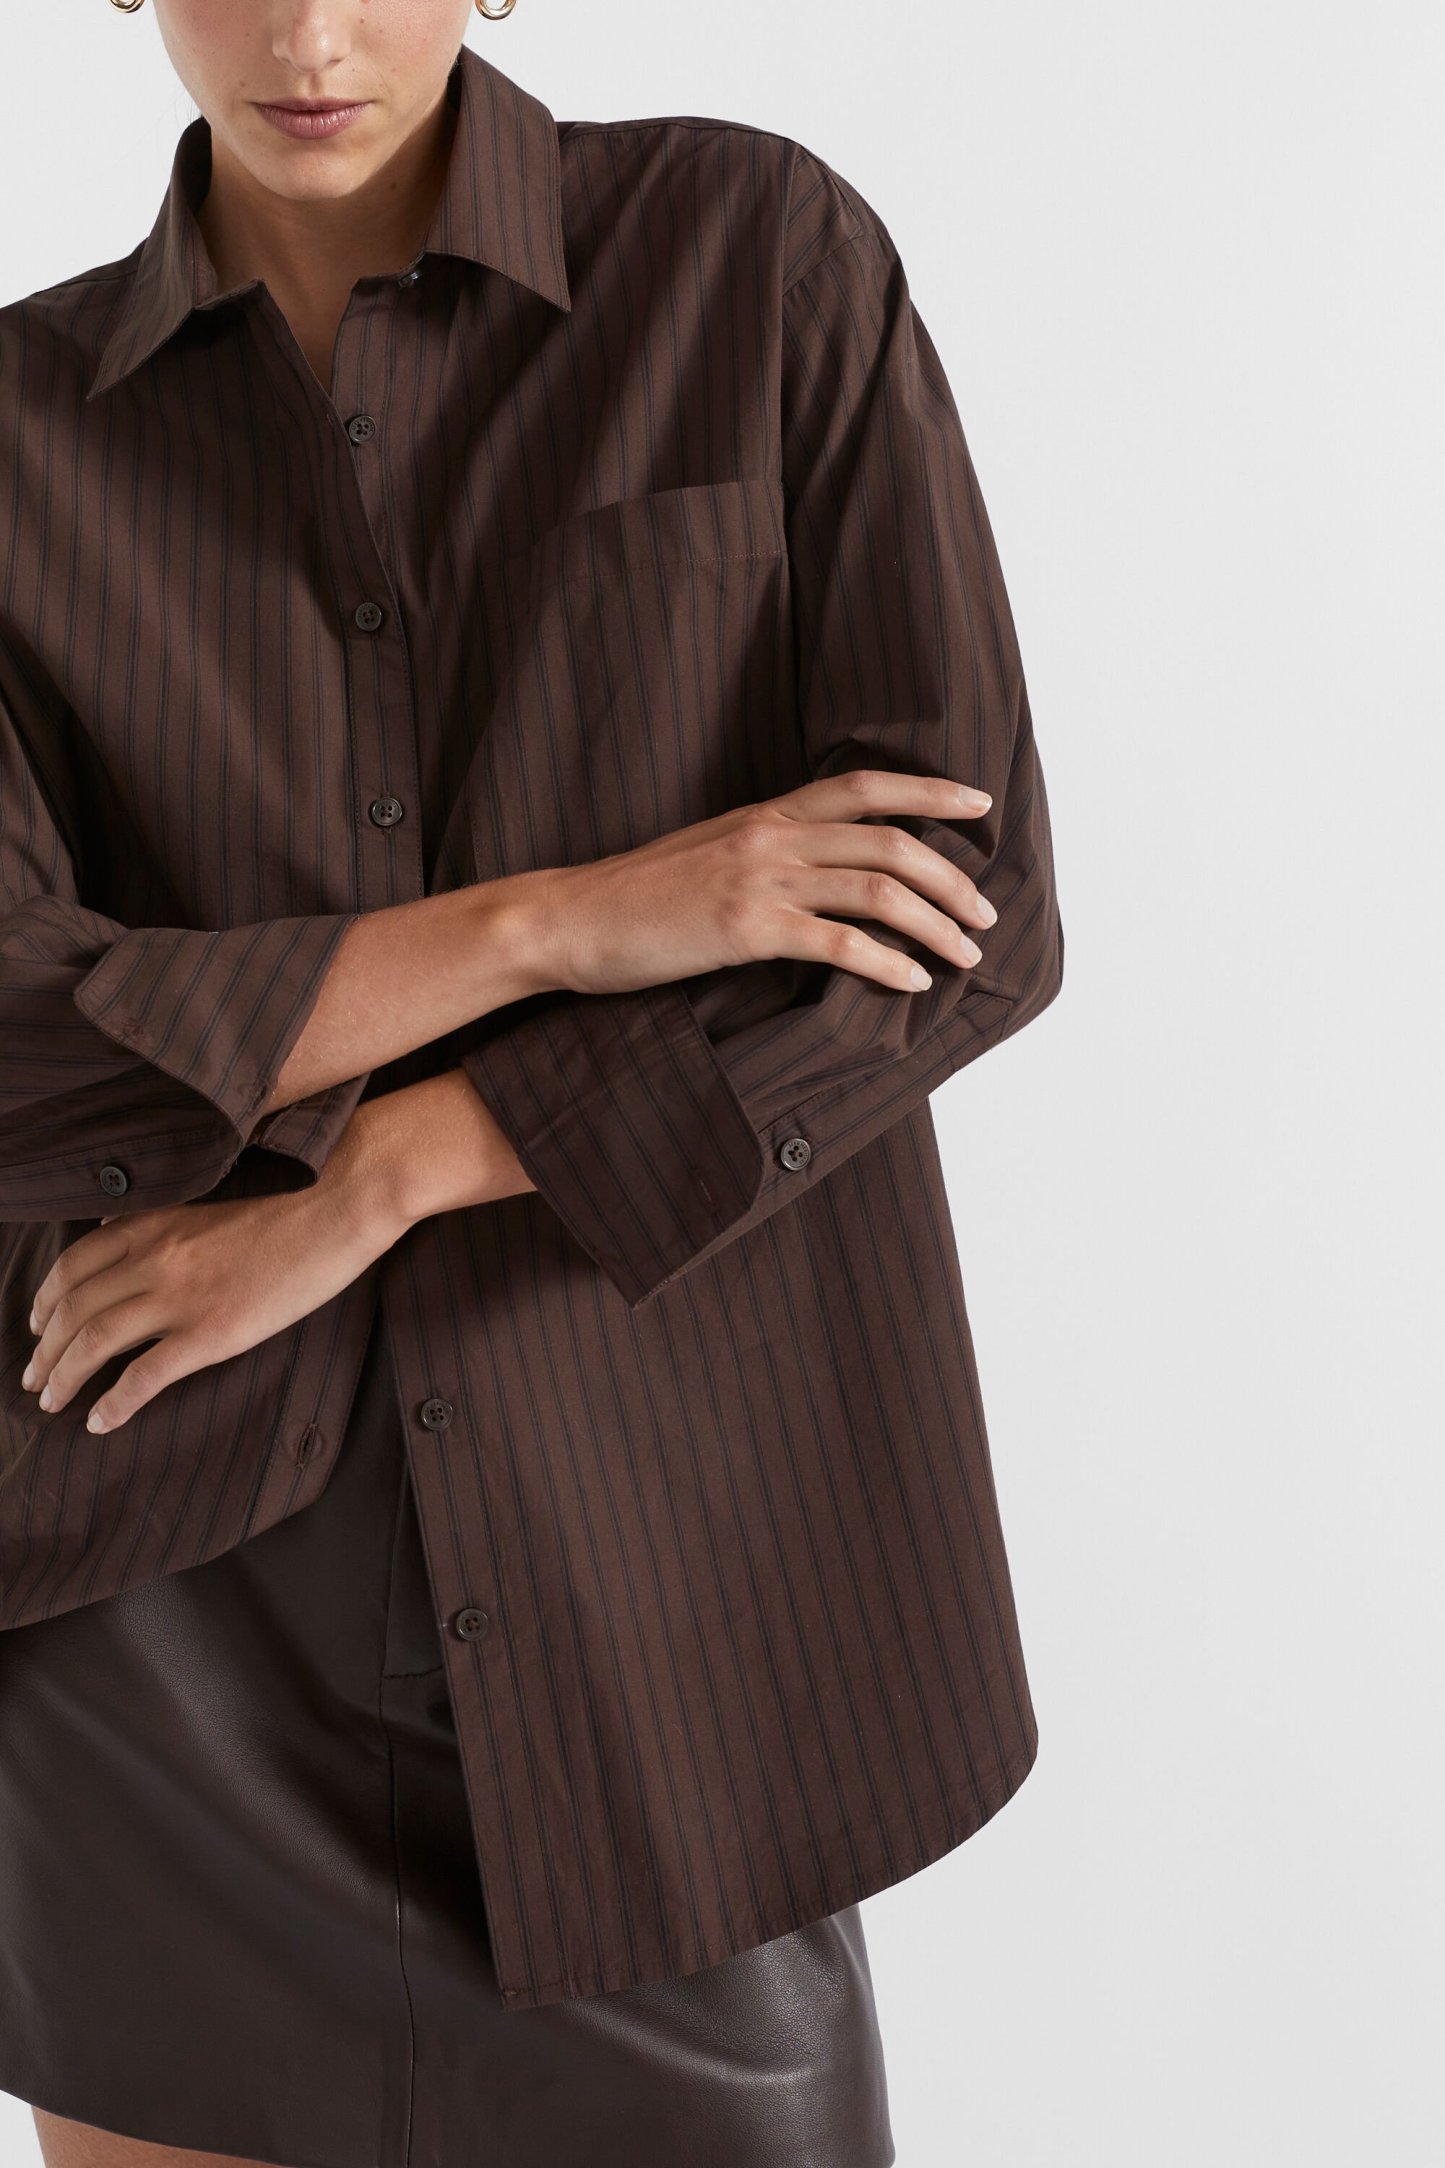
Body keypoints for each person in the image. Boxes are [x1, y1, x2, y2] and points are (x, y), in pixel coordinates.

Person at [0, 4, 1065, 2166]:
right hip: (167, 1608)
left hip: (657, 1584)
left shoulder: (750, 259)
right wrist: (561, 922)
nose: (306, 34)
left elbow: (962, 921)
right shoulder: (15, 432)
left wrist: (393, 1167)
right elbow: (18, 1031)